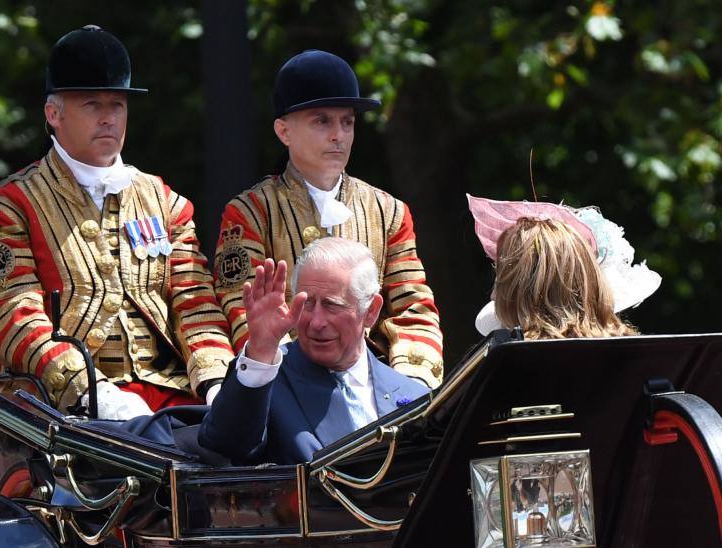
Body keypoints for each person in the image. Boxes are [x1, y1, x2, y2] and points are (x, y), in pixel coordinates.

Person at [0, 26, 233, 419]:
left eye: (118, 105)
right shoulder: (6, 208)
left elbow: (194, 304)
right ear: (53, 114)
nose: (109, 118)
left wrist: (216, 382)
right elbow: (14, 317)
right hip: (58, 401)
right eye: (92, 104)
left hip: (169, 392)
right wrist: (90, 391)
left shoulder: (167, 202)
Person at [214, 49, 443, 389]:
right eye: (322, 121)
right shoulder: (250, 212)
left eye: (347, 122)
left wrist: (407, 383)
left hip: (376, 385)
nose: (339, 135)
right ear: (283, 131)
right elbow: (243, 312)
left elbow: (414, 310)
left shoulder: (390, 211)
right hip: (285, 384)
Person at [200, 237, 430, 465]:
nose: (316, 322)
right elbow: (226, 444)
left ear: (370, 311)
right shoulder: (265, 382)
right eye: (307, 303)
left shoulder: (414, 396)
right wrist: (261, 350)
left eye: (332, 305)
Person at [466, 194, 661, 339]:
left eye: (502, 278)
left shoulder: (512, 370)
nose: (493, 295)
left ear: (527, 294)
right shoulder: (642, 358)